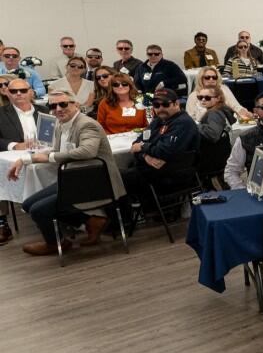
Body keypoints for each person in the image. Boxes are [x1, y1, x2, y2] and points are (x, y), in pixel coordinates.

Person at [7, 90, 124, 255]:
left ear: (75, 104)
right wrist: (25, 160)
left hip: (96, 183)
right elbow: (54, 149)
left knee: (38, 210)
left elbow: (87, 152)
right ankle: (91, 221)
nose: (58, 109)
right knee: (27, 204)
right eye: (53, 105)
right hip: (74, 179)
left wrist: (52, 157)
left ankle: (55, 243)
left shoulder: (86, 124)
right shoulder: (61, 124)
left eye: (63, 104)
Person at [120, 89, 199, 213]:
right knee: (118, 173)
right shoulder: (158, 120)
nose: (160, 108)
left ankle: (124, 218)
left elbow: (163, 151)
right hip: (155, 169)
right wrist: (146, 156)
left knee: (117, 177)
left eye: (165, 104)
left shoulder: (183, 123)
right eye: (156, 105)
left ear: (176, 104)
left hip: (172, 174)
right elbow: (137, 142)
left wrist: (143, 148)